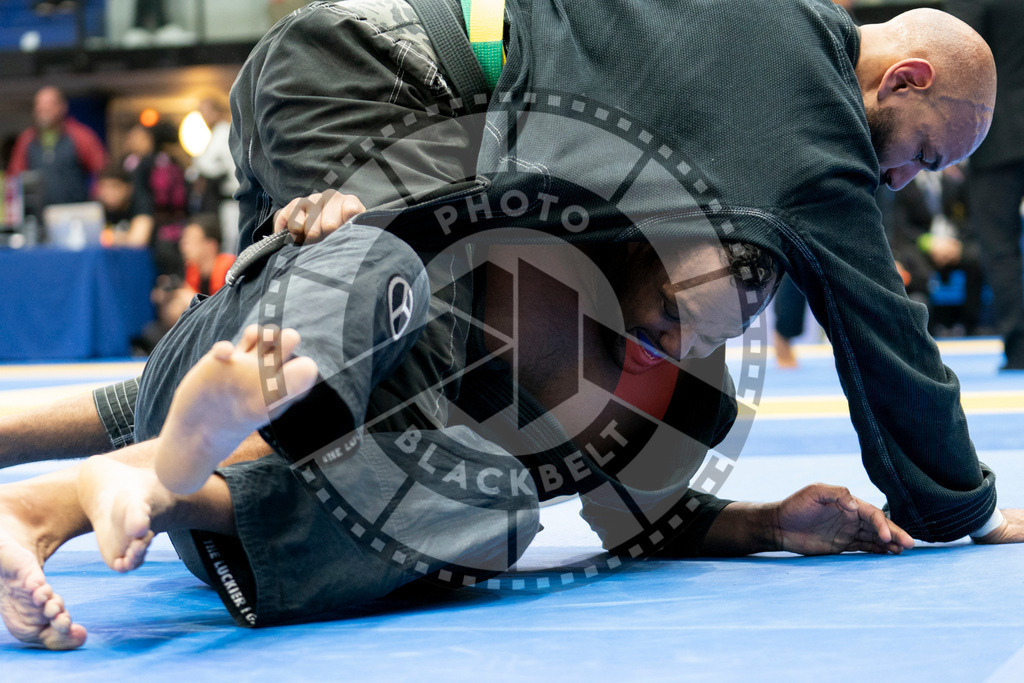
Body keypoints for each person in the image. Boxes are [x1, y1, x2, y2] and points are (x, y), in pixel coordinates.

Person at [0, 213, 914, 649]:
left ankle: (114, 489)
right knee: (375, 264)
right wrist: (315, 202)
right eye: (674, 309)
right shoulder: (517, 213)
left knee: (503, 505)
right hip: (271, 339)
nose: (673, 342)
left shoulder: (635, 385)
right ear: (638, 247)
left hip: (257, 523)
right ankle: (134, 481)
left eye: (702, 338)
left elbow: (629, 519)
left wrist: (770, 523)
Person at [947, 0, 1024, 370]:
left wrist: (951, 138)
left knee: (1000, 247)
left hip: (997, 138)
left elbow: (956, 57)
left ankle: (1020, 348)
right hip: (1002, 136)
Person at [884, 166, 984, 336]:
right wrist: (930, 243)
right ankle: (928, 326)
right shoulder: (902, 183)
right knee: (913, 263)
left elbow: (969, 219)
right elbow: (902, 228)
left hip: (954, 243)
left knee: (978, 256)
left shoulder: (955, 177)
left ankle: (970, 324)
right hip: (921, 245)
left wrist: (955, 243)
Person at [6, 86, 107, 218]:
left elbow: (103, 171)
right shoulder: (26, 139)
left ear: (62, 107)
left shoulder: (80, 136)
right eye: (39, 104)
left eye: (49, 104)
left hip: (74, 216)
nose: (43, 109)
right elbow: (14, 178)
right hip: (37, 217)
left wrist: (95, 203)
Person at [187, 95, 240, 253]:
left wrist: (195, 167)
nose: (204, 116)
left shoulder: (223, 131)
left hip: (232, 200)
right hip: (225, 200)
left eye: (206, 111)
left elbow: (209, 167)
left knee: (231, 247)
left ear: (217, 111)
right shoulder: (219, 132)